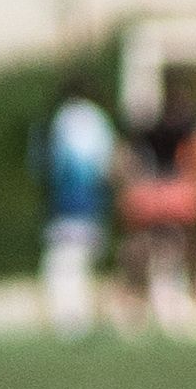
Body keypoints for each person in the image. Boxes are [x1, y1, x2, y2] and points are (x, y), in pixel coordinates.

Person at [119, 105, 196, 338]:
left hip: (149, 194)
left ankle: (135, 299)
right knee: (184, 244)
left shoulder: (144, 134)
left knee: (146, 245)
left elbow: (125, 161)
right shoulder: (191, 131)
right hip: (178, 194)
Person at [38, 79, 121, 338]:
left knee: (63, 262)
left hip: (63, 203)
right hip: (92, 203)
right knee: (81, 260)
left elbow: (46, 165)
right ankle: (80, 316)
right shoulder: (99, 119)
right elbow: (108, 166)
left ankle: (69, 318)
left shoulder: (58, 119)